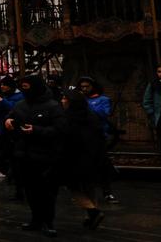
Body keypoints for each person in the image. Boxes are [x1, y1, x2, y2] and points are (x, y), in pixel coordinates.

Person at [4, 74, 66, 238]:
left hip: (45, 155)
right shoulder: (20, 105)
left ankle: (48, 221)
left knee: (47, 191)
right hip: (24, 154)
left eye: (26, 87)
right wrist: (8, 121)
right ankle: (36, 219)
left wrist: (37, 130)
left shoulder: (53, 106)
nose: (24, 90)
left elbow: (60, 130)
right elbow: (11, 116)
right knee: (31, 190)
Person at [60, 90, 106, 230]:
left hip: (75, 158)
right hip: (94, 156)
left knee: (73, 187)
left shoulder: (68, 118)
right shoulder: (91, 115)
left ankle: (92, 211)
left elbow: (65, 139)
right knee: (89, 186)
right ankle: (90, 215)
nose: (62, 101)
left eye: (64, 98)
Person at [77, 76, 118, 204]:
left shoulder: (103, 99)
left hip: (99, 135)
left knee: (101, 164)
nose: (84, 89)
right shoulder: (80, 99)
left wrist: (86, 107)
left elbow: (104, 114)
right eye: (82, 87)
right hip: (83, 136)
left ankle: (107, 191)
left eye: (87, 86)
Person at [142, 65, 161, 155]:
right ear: (156, 73)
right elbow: (147, 100)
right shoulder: (153, 84)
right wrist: (151, 113)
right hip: (160, 115)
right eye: (159, 71)